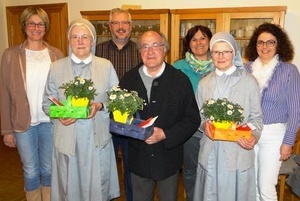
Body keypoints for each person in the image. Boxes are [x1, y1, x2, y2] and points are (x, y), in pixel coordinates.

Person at [42, 18, 120, 201]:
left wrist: (100, 105)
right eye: (75, 37)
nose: (80, 41)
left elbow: (116, 101)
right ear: (69, 41)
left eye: (85, 37)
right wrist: (59, 115)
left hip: (97, 139)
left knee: (97, 190)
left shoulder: (105, 66)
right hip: (68, 138)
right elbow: (47, 104)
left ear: (93, 41)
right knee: (69, 191)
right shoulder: (56, 67)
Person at [119, 30, 200, 201]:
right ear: (139, 51)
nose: (150, 52)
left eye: (156, 46)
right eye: (145, 47)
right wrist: (134, 130)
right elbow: (117, 115)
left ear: (165, 49)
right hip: (138, 157)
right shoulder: (128, 80)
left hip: (168, 158)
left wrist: (165, 134)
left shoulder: (179, 80)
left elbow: (192, 118)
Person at [0, 7, 64, 201]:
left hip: (50, 121)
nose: (36, 28)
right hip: (22, 124)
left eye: (41, 24)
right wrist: (6, 130)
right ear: (24, 26)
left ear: (46, 27)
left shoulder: (56, 54)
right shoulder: (10, 55)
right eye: (32, 23)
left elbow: (62, 91)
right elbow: (4, 93)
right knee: (30, 170)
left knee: (48, 168)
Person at [193, 32, 263, 201]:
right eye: (216, 52)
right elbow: (199, 117)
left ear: (235, 53)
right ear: (211, 54)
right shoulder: (204, 83)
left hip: (237, 151)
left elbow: (256, 119)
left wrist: (253, 136)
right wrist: (204, 126)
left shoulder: (249, 82)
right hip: (210, 150)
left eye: (226, 51)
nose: (221, 56)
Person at [244, 22, 300, 201]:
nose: (264, 46)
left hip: (274, 134)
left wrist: (288, 142)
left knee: (266, 187)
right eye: (260, 42)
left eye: (270, 42)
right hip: (249, 132)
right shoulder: (246, 70)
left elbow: (295, 110)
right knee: (250, 184)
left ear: (279, 45)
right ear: (255, 45)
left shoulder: (289, 71)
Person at [95, 8, 142, 201]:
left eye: (125, 23)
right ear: (109, 26)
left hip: (133, 119)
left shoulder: (140, 51)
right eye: (116, 23)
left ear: (131, 26)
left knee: (132, 167)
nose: (121, 27)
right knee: (104, 166)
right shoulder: (98, 51)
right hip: (104, 117)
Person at [173, 25, 213, 201]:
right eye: (194, 39)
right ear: (188, 44)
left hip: (216, 128)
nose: (199, 42)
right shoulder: (178, 67)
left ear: (210, 41)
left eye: (203, 38)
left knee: (212, 168)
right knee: (191, 170)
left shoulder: (220, 63)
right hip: (190, 128)